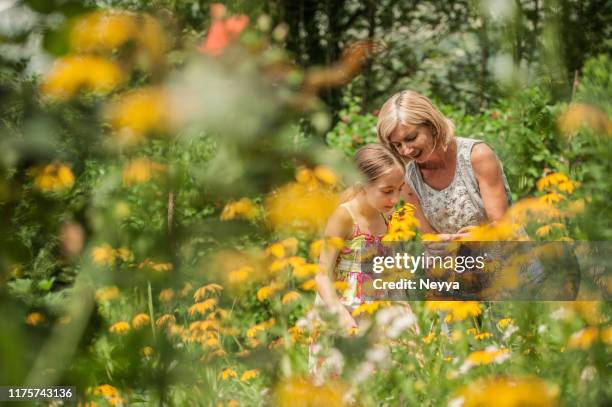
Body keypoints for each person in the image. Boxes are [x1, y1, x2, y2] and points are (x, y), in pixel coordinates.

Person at [309, 144, 405, 379]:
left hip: (374, 317)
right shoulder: (344, 216)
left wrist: (404, 312)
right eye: (387, 190)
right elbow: (321, 275)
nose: (395, 198)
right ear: (362, 186)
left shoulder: (388, 217)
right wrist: (340, 314)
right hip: (341, 314)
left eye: (400, 190)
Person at [376, 90, 512, 243]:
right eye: (397, 145)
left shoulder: (477, 156)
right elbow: (428, 236)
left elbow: (502, 226)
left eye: (411, 138)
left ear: (432, 126)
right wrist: (437, 243)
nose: (406, 150)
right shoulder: (409, 179)